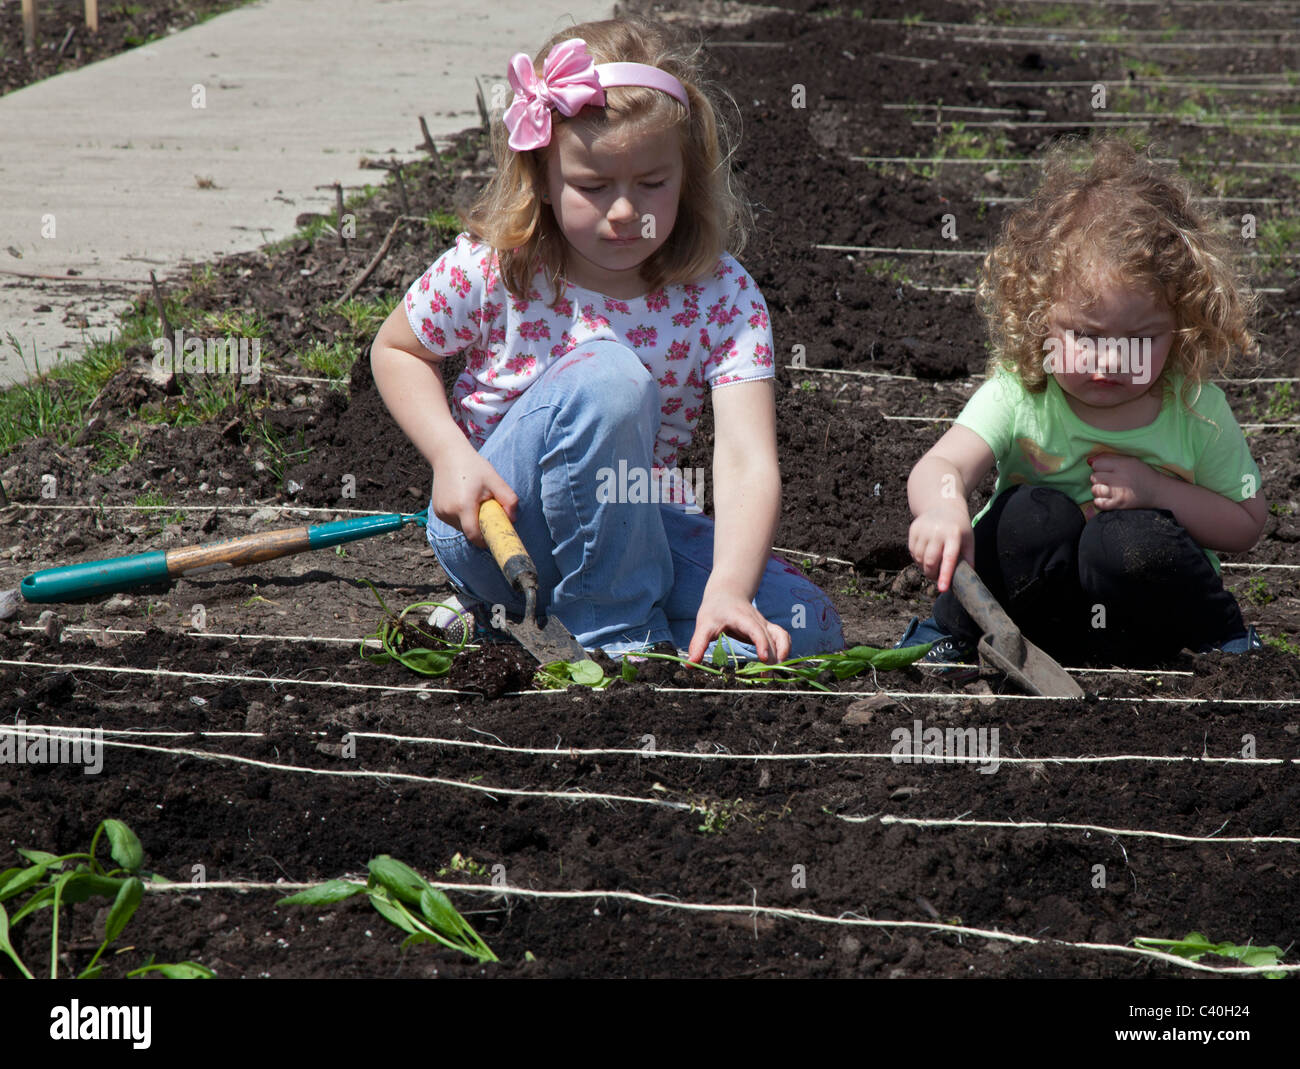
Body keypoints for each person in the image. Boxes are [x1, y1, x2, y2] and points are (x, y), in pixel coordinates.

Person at [370, 17, 843, 662]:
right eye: (592, 186)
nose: (625, 210)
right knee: (610, 377)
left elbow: (745, 458)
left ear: (688, 175)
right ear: (541, 178)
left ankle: (530, 625)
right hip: (498, 533)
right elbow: (397, 350)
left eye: (652, 183)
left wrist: (729, 589)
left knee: (804, 626)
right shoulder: (497, 267)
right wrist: (451, 458)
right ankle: (618, 643)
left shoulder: (721, 294)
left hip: (632, 527)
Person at [896, 136, 1268, 671]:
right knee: (1030, 516)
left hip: (1144, 624)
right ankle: (952, 630)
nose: (1111, 361)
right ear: (1038, 313)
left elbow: (1247, 522)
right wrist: (944, 504)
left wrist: (1156, 491)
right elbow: (943, 464)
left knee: (1127, 538)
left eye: (1139, 340)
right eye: (1086, 336)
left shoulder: (1195, 410)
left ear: (1182, 326)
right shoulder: (1023, 391)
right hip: (1033, 616)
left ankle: (1224, 642)